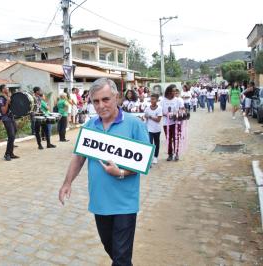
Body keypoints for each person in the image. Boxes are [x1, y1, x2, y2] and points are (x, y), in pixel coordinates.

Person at [59, 78, 149, 266]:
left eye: (106, 99)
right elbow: (79, 157)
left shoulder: (135, 125)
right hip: (99, 202)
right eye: (96, 101)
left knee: (121, 258)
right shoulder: (90, 126)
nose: (101, 105)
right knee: (112, 250)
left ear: (116, 97)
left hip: (125, 204)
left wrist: (121, 172)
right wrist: (67, 182)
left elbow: (144, 163)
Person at [161, 84, 185, 161]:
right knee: (168, 139)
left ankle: (177, 153)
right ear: (168, 92)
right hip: (166, 123)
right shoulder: (163, 100)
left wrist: (177, 114)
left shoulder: (178, 100)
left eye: (175, 91)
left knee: (176, 138)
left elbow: (182, 109)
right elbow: (160, 111)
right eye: (173, 91)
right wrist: (167, 115)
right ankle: (170, 154)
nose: (174, 93)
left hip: (176, 122)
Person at [0, 84, 19, 161]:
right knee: (11, 135)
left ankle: (11, 153)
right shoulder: (1, 98)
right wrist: (7, 102)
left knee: (14, 132)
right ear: (3, 90)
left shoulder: (7, 97)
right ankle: (7, 154)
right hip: (6, 118)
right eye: (7, 88)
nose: (8, 89)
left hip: (11, 117)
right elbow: (3, 111)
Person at [144, 93, 162, 164]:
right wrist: (146, 117)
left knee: (156, 143)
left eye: (153, 99)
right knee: (150, 143)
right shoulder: (147, 108)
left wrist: (150, 117)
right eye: (151, 99)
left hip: (157, 129)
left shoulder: (159, 108)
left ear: (157, 100)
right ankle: (150, 157)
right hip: (149, 129)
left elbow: (158, 119)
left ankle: (155, 157)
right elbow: (145, 116)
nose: (152, 100)